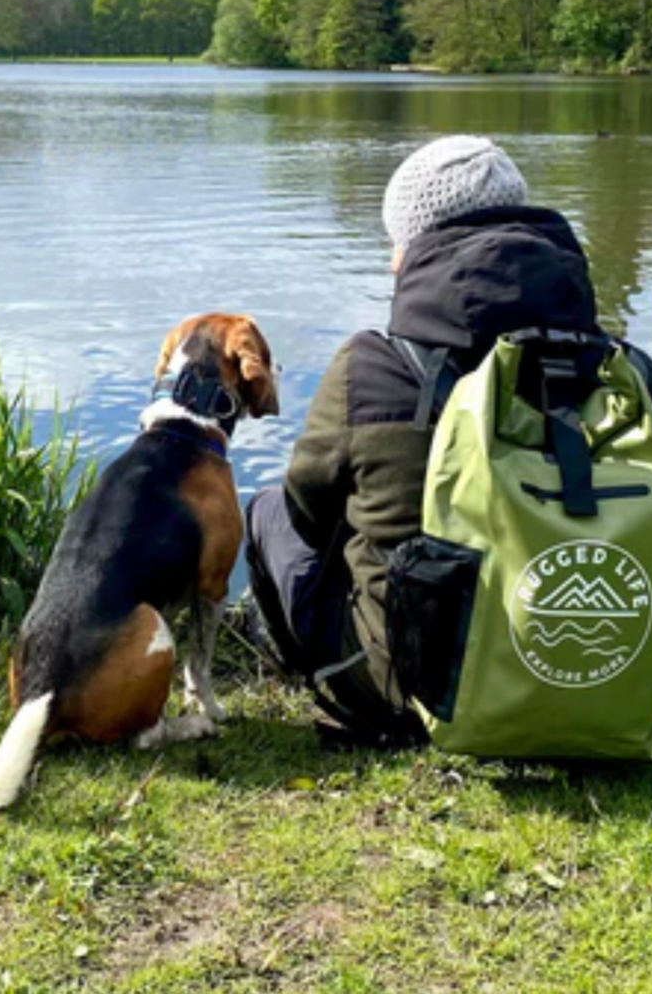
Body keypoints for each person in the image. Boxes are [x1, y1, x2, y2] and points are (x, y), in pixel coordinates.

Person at [244, 133, 619, 744]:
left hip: (410, 692)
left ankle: (297, 667)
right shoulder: (607, 364)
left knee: (265, 511)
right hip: (585, 674)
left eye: (398, 240)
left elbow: (305, 517)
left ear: (417, 243)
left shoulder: (369, 367)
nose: (393, 259)